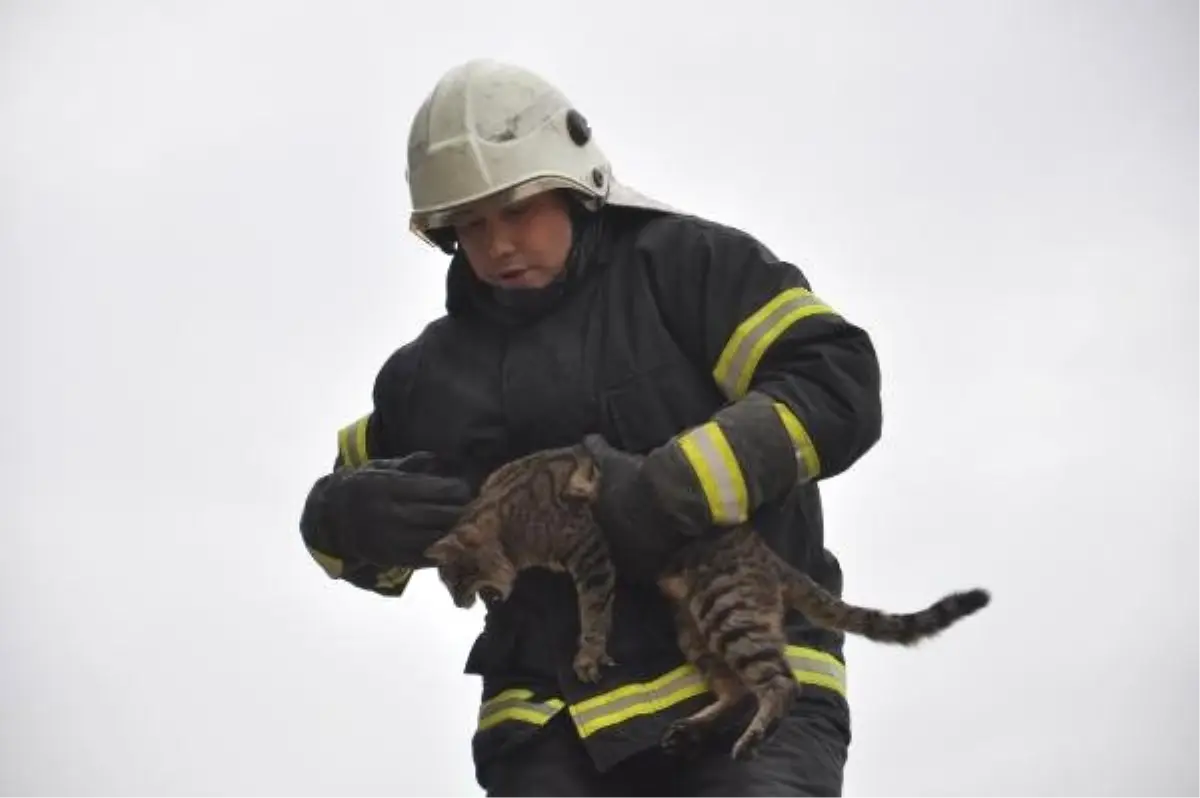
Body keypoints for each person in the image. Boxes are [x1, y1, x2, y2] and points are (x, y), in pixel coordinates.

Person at [299, 58, 883, 798]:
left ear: (574, 185)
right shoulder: (425, 376)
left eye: (515, 208)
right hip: (547, 730)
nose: (498, 244)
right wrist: (341, 517)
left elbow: (835, 381)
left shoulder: (689, 266)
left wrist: (678, 486)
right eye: (469, 225)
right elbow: (347, 529)